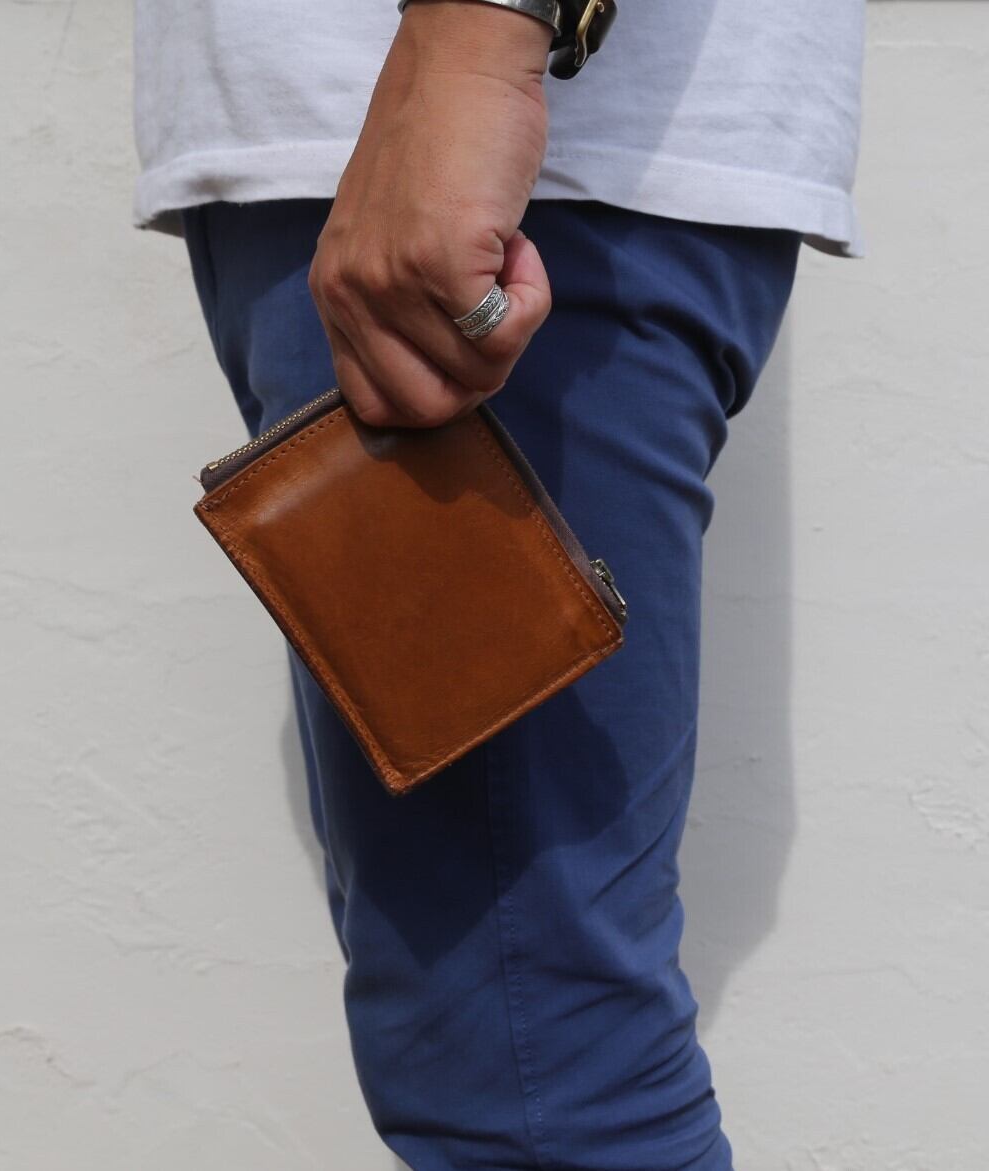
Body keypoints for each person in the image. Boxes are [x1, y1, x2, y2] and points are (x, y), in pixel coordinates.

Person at [134, 0, 863, 1164]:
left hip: (486, 166)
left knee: (530, 1067)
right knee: (497, 1034)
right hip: (382, 156)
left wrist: (479, 49)